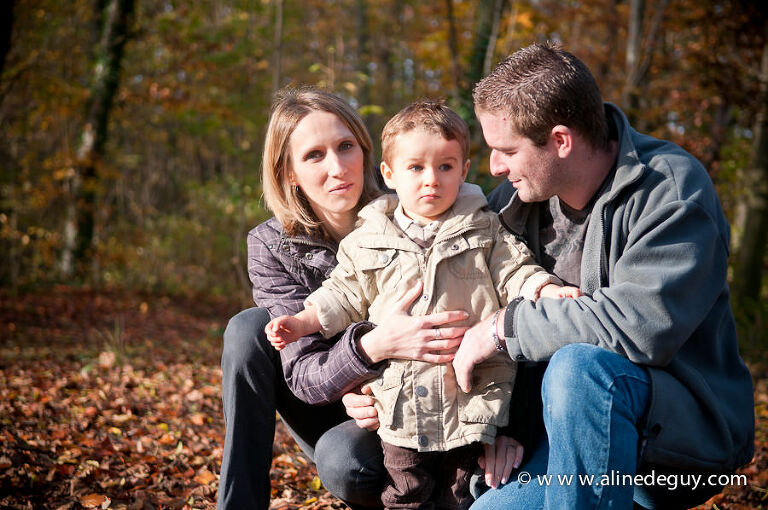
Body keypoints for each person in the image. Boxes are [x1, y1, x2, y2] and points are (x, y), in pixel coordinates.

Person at [441, 42, 754, 509]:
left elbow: (638, 325)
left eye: (507, 150)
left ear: (561, 141)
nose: (495, 167)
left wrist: (504, 328)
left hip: (671, 449)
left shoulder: (670, 190)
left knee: (579, 368)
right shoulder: (512, 203)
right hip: (554, 440)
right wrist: (497, 428)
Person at [264, 100, 581, 509]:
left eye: (445, 167)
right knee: (406, 490)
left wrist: (543, 288)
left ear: (463, 171)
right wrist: (303, 322)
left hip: (469, 396)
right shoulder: (369, 239)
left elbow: (514, 270)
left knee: (459, 491)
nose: (431, 180)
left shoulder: (484, 228)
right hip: (401, 404)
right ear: (389, 174)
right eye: (416, 168)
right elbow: (341, 293)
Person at [219, 88, 486, 510]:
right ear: (289, 172)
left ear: (365, 152)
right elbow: (304, 373)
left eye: (346, 147)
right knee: (247, 329)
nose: (338, 167)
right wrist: (373, 345)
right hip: (332, 409)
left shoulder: (417, 205)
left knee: (356, 460)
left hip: (425, 393)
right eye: (314, 156)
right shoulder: (271, 246)